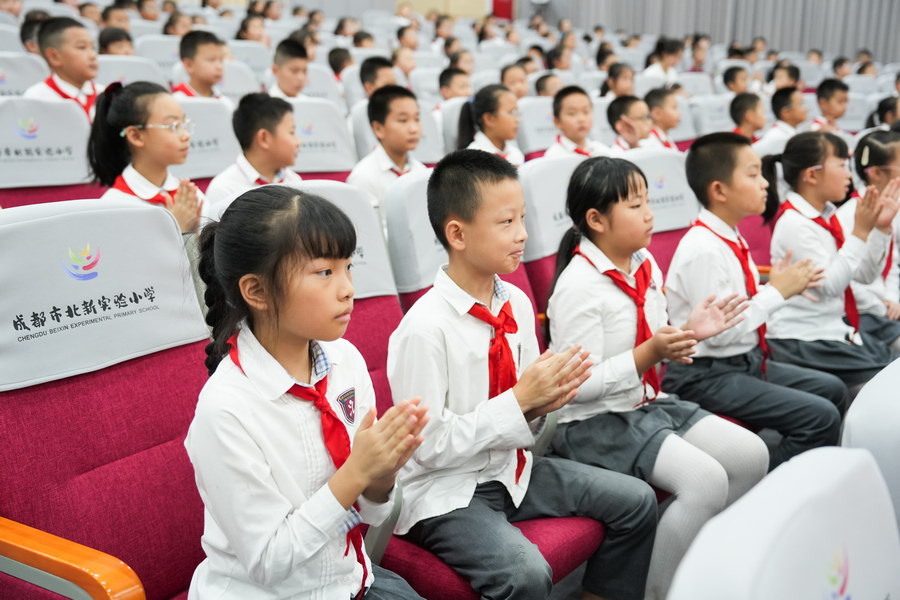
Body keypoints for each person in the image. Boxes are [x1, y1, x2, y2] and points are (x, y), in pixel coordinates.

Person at [388, 149, 659, 600]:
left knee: (636, 501)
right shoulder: (423, 329)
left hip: (512, 469)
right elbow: (429, 449)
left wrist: (546, 401)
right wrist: (521, 402)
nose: (523, 235)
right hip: (447, 490)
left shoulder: (514, 302)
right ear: (457, 233)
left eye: (523, 219)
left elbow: (528, 412)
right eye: (506, 222)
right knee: (524, 573)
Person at [188, 186, 427, 600]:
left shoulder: (345, 361)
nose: (348, 288)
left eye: (348, 267)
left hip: (349, 580)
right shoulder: (224, 410)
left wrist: (381, 475)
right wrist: (356, 473)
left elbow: (370, 514)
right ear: (257, 291)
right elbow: (269, 562)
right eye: (324, 273)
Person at [546, 155, 768, 599]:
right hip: (593, 423)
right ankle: (661, 591)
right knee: (705, 481)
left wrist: (690, 331)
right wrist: (648, 354)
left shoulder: (643, 262)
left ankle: (701, 568)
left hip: (646, 402)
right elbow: (576, 386)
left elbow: (656, 338)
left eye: (648, 201)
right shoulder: (578, 287)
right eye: (635, 205)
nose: (650, 214)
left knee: (751, 455)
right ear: (596, 220)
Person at [663, 132, 846, 470]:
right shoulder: (704, 249)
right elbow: (721, 334)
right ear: (719, 191)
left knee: (832, 389)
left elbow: (740, 305)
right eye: (753, 174)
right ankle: (775, 490)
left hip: (744, 360)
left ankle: (818, 476)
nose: (765, 184)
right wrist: (778, 291)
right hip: (705, 374)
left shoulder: (728, 235)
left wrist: (774, 287)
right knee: (819, 416)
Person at [762, 131, 900, 395]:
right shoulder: (795, 223)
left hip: (835, 329)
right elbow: (830, 286)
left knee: (893, 368)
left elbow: (865, 275)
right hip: (805, 338)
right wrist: (860, 233)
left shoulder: (825, 217)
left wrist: (881, 229)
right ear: (812, 175)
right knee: (891, 382)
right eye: (841, 165)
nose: (849, 175)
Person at [88, 82, 205, 234]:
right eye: (173, 126)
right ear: (136, 136)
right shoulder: (112, 207)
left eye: (184, 124)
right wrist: (177, 230)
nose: (185, 135)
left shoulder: (189, 196)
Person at [835, 130, 900, 351]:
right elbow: (849, 277)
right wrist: (882, 305)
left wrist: (892, 298)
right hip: (865, 311)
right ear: (876, 173)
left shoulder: (891, 206)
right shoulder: (847, 216)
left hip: (886, 305)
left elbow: (892, 263)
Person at [205, 93, 302, 217]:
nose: (298, 142)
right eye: (292, 132)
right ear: (264, 138)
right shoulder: (224, 190)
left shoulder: (294, 180)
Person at [347, 85, 425, 220]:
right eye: (403, 120)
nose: (414, 129)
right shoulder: (363, 178)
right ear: (378, 129)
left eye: (416, 119)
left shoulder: (421, 172)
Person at [24, 17, 101, 122]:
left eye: (93, 48)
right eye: (82, 47)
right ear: (54, 56)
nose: (93, 55)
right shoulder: (36, 98)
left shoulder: (107, 94)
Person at [458, 84, 525, 167]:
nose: (517, 119)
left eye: (517, 112)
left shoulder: (515, 153)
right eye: (511, 112)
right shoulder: (473, 159)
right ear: (489, 118)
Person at [172, 30, 235, 111]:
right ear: (189, 65)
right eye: (211, 60)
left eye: (221, 60)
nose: (219, 67)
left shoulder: (226, 103)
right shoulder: (176, 102)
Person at [544, 85, 610, 158]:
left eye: (586, 112)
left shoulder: (602, 150)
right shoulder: (553, 156)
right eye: (572, 113)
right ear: (557, 122)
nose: (581, 119)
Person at [752, 86, 807, 158]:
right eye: (801, 104)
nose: (805, 109)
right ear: (786, 112)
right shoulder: (777, 137)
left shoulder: (790, 134)